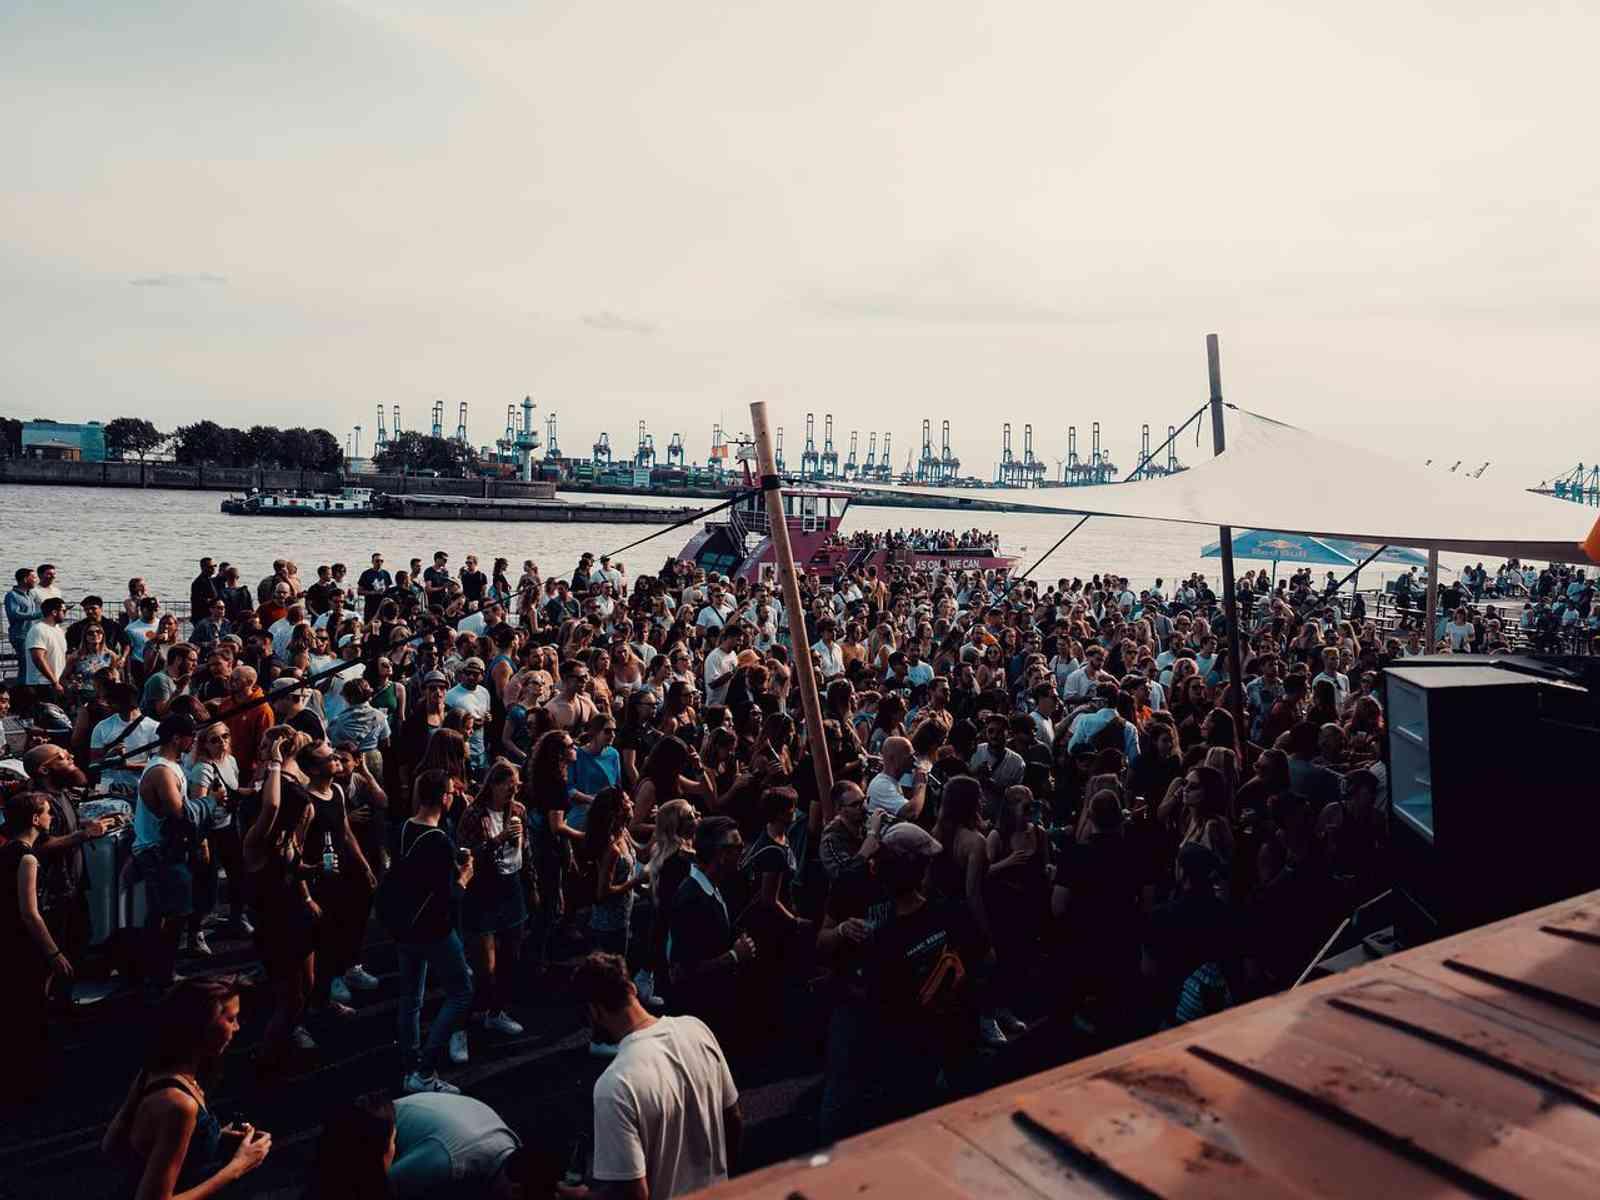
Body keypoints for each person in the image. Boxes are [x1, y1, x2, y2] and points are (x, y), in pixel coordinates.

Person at [580, 950, 744, 1199]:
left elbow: (633, 1194)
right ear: (633, 989)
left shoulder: (615, 1086)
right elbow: (733, 1118)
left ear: (594, 1012)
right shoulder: (697, 1029)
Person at [101, 977, 272, 1199]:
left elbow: (111, 1145)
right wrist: (239, 1166)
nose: (238, 1027)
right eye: (231, 1019)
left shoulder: (154, 1071)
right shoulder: (180, 1105)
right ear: (203, 1025)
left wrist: (212, 1139)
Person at [392, 768, 476, 1094]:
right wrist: (466, 874)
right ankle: (425, 1070)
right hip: (435, 930)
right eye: (452, 793)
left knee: (411, 998)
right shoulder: (439, 840)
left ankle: (410, 1067)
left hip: (406, 926)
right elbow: (451, 893)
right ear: (444, 797)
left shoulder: (403, 829)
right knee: (461, 992)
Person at [313, 1092, 561, 1200]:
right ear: (516, 1192)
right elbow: (385, 1190)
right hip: (369, 1133)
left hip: (418, 1124)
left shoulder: (510, 1145)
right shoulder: (447, 1162)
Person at [0, 790, 72, 1095]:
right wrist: (53, 952)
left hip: (6, 938)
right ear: (34, 819)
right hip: (24, 942)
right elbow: (31, 912)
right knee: (32, 1008)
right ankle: (30, 1080)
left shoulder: (6, 851)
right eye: (47, 812)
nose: (51, 817)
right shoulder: (27, 858)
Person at [457, 758, 530, 1049]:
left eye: (516, 788)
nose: (512, 793)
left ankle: (496, 1012)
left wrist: (532, 885)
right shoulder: (475, 815)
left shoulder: (519, 812)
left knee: (511, 957)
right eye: (507, 787)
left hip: (512, 888)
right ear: (494, 785)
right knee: (484, 968)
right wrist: (498, 840)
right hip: (483, 892)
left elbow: (527, 852)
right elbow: (465, 855)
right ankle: (460, 1024)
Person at [865, 735, 927, 820]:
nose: (914, 760)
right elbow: (911, 813)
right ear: (893, 758)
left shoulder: (891, 782)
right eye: (909, 756)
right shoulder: (882, 785)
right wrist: (921, 784)